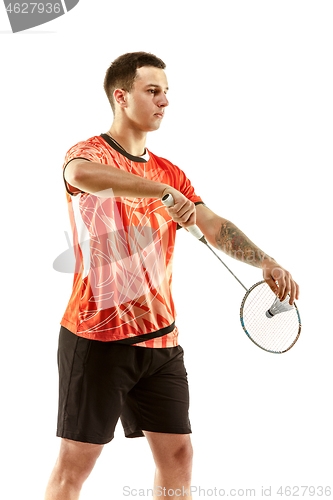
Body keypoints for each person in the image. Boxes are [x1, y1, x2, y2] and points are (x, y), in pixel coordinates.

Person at [45, 52, 299, 500]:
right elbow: (81, 175)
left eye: (166, 92)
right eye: (153, 91)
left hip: (161, 340)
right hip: (98, 339)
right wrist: (161, 193)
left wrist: (265, 261)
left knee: (178, 455)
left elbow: (213, 224)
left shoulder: (171, 171)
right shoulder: (89, 153)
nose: (164, 101)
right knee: (75, 465)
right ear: (121, 97)